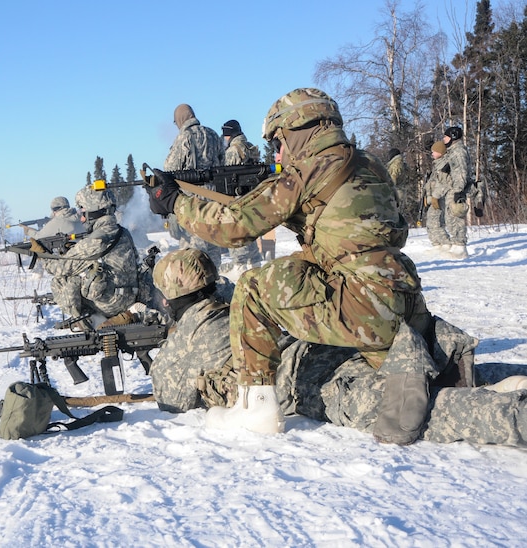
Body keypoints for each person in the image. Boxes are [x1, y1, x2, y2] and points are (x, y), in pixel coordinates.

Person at [146, 88, 435, 443]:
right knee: (301, 266)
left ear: (298, 131)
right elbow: (386, 231)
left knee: (252, 287)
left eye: (279, 141)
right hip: (405, 301)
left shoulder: (306, 172)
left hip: (363, 309)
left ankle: (256, 407)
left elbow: (233, 228)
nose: (278, 153)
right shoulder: (368, 164)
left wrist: (175, 203)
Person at [150, 249, 527, 446]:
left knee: (418, 412)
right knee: (459, 376)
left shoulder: (194, 329)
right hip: (337, 344)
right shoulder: (234, 296)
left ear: (169, 298)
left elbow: (171, 397)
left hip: (318, 380)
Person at [36, 186, 141, 333]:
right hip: (130, 296)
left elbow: (59, 268)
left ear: (94, 212)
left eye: (83, 211)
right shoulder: (123, 232)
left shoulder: (96, 239)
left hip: (111, 304)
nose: (82, 218)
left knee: (60, 281)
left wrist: (42, 255)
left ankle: (91, 323)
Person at [163, 104, 225, 269]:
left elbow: (169, 168)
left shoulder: (184, 138)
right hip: (214, 204)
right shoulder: (213, 134)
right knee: (213, 258)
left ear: (180, 120)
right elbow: (223, 163)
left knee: (192, 263)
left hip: (193, 206)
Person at [220, 120, 264, 275]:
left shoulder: (233, 150)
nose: (223, 138)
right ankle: (257, 270)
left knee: (238, 239)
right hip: (252, 198)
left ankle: (242, 274)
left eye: (225, 134)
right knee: (251, 237)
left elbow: (228, 175)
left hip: (238, 199)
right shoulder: (249, 146)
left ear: (230, 134)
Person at [440, 126, 472, 258]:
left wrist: (458, 190)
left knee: (456, 215)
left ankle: (460, 246)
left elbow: (461, 172)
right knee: (450, 216)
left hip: (456, 188)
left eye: (446, 137)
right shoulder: (452, 151)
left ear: (453, 136)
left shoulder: (458, 151)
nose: (444, 139)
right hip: (452, 187)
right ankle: (456, 243)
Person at [423, 141, 457, 256]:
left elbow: (443, 183)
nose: (432, 153)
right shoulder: (437, 164)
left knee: (436, 220)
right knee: (431, 220)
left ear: (440, 152)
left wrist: (435, 196)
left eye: (434, 151)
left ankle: (445, 243)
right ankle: (437, 243)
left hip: (440, 197)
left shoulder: (444, 165)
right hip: (434, 197)